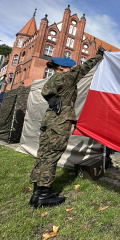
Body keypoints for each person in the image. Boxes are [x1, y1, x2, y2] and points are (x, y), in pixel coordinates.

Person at [29, 47, 105, 208]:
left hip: (49, 120)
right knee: (52, 156)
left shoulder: (52, 79)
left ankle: (37, 193)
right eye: (68, 67)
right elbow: (83, 69)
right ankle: (44, 195)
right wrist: (98, 56)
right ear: (61, 68)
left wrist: (52, 98)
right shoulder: (65, 78)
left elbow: (45, 91)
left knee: (43, 154)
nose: (70, 69)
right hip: (60, 122)